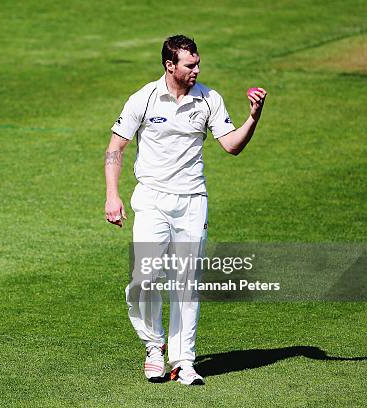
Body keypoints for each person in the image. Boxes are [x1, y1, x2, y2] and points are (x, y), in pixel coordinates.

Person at [104, 34, 267, 385]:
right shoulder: (144, 98)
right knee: (143, 279)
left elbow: (231, 146)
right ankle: (153, 346)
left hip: (192, 202)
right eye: (189, 65)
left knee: (186, 283)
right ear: (170, 65)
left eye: (198, 64)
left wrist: (253, 117)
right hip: (150, 200)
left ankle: (183, 361)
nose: (196, 70)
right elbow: (116, 147)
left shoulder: (209, 99)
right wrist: (112, 195)